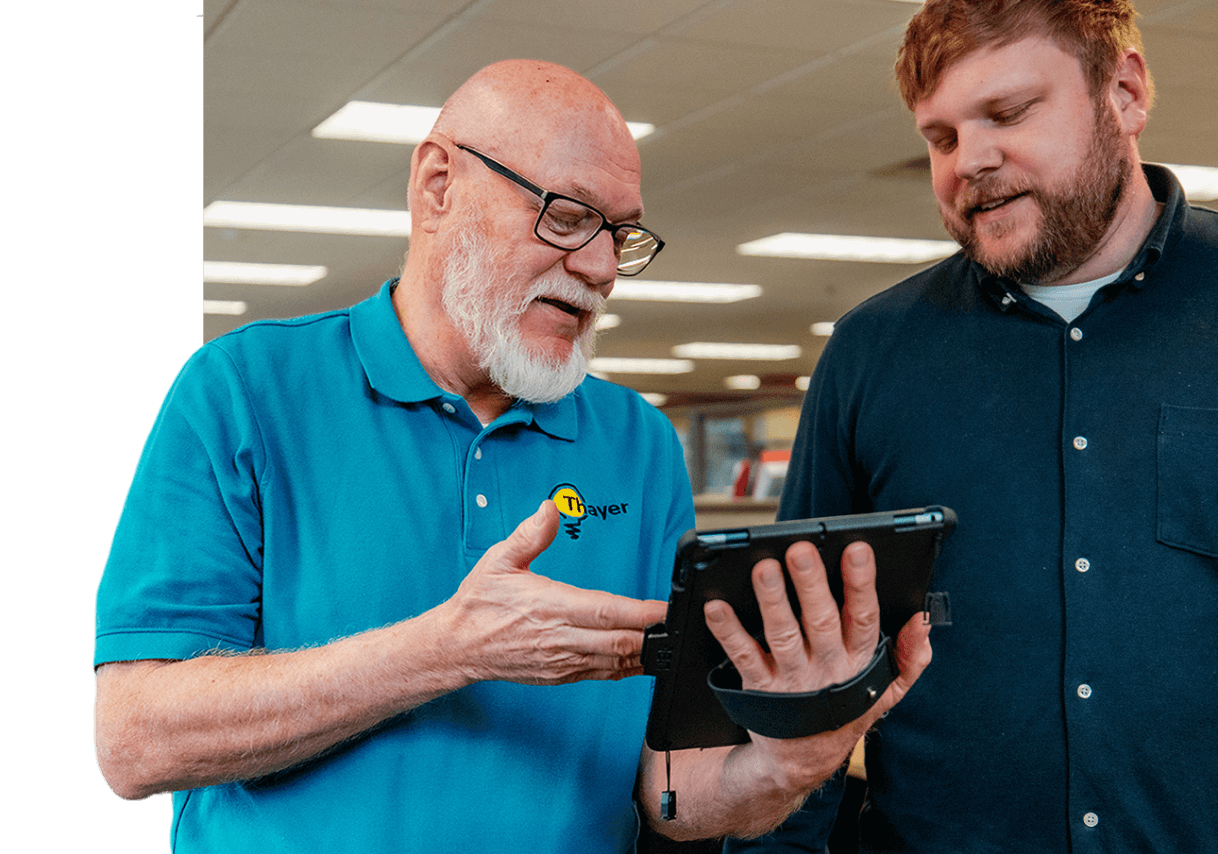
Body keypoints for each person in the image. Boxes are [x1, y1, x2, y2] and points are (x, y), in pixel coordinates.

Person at [95, 60, 932, 853]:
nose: (602, 269)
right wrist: (447, 650)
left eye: (623, 236)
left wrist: (794, 757)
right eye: (567, 217)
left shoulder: (639, 443)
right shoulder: (243, 391)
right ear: (438, 187)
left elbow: (668, 788)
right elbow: (134, 742)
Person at [726, 1, 1217, 852]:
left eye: (1008, 113)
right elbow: (800, 667)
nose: (971, 162)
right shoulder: (873, 350)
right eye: (941, 137)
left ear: (1126, 94)